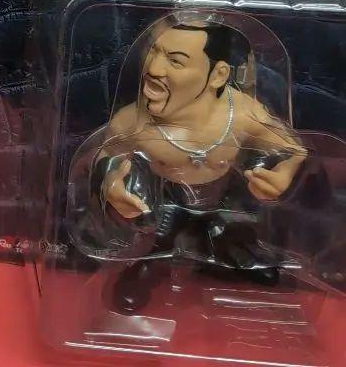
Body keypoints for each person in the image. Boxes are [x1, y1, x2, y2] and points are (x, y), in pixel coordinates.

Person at [93, 17, 307, 314]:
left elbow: (293, 149)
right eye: (153, 52)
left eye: (176, 61)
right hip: (168, 200)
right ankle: (148, 266)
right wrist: (111, 184)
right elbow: (107, 154)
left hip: (224, 198)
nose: (154, 69)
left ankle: (231, 250)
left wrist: (284, 174)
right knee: (158, 239)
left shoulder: (243, 115)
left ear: (218, 74)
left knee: (231, 230)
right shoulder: (134, 123)